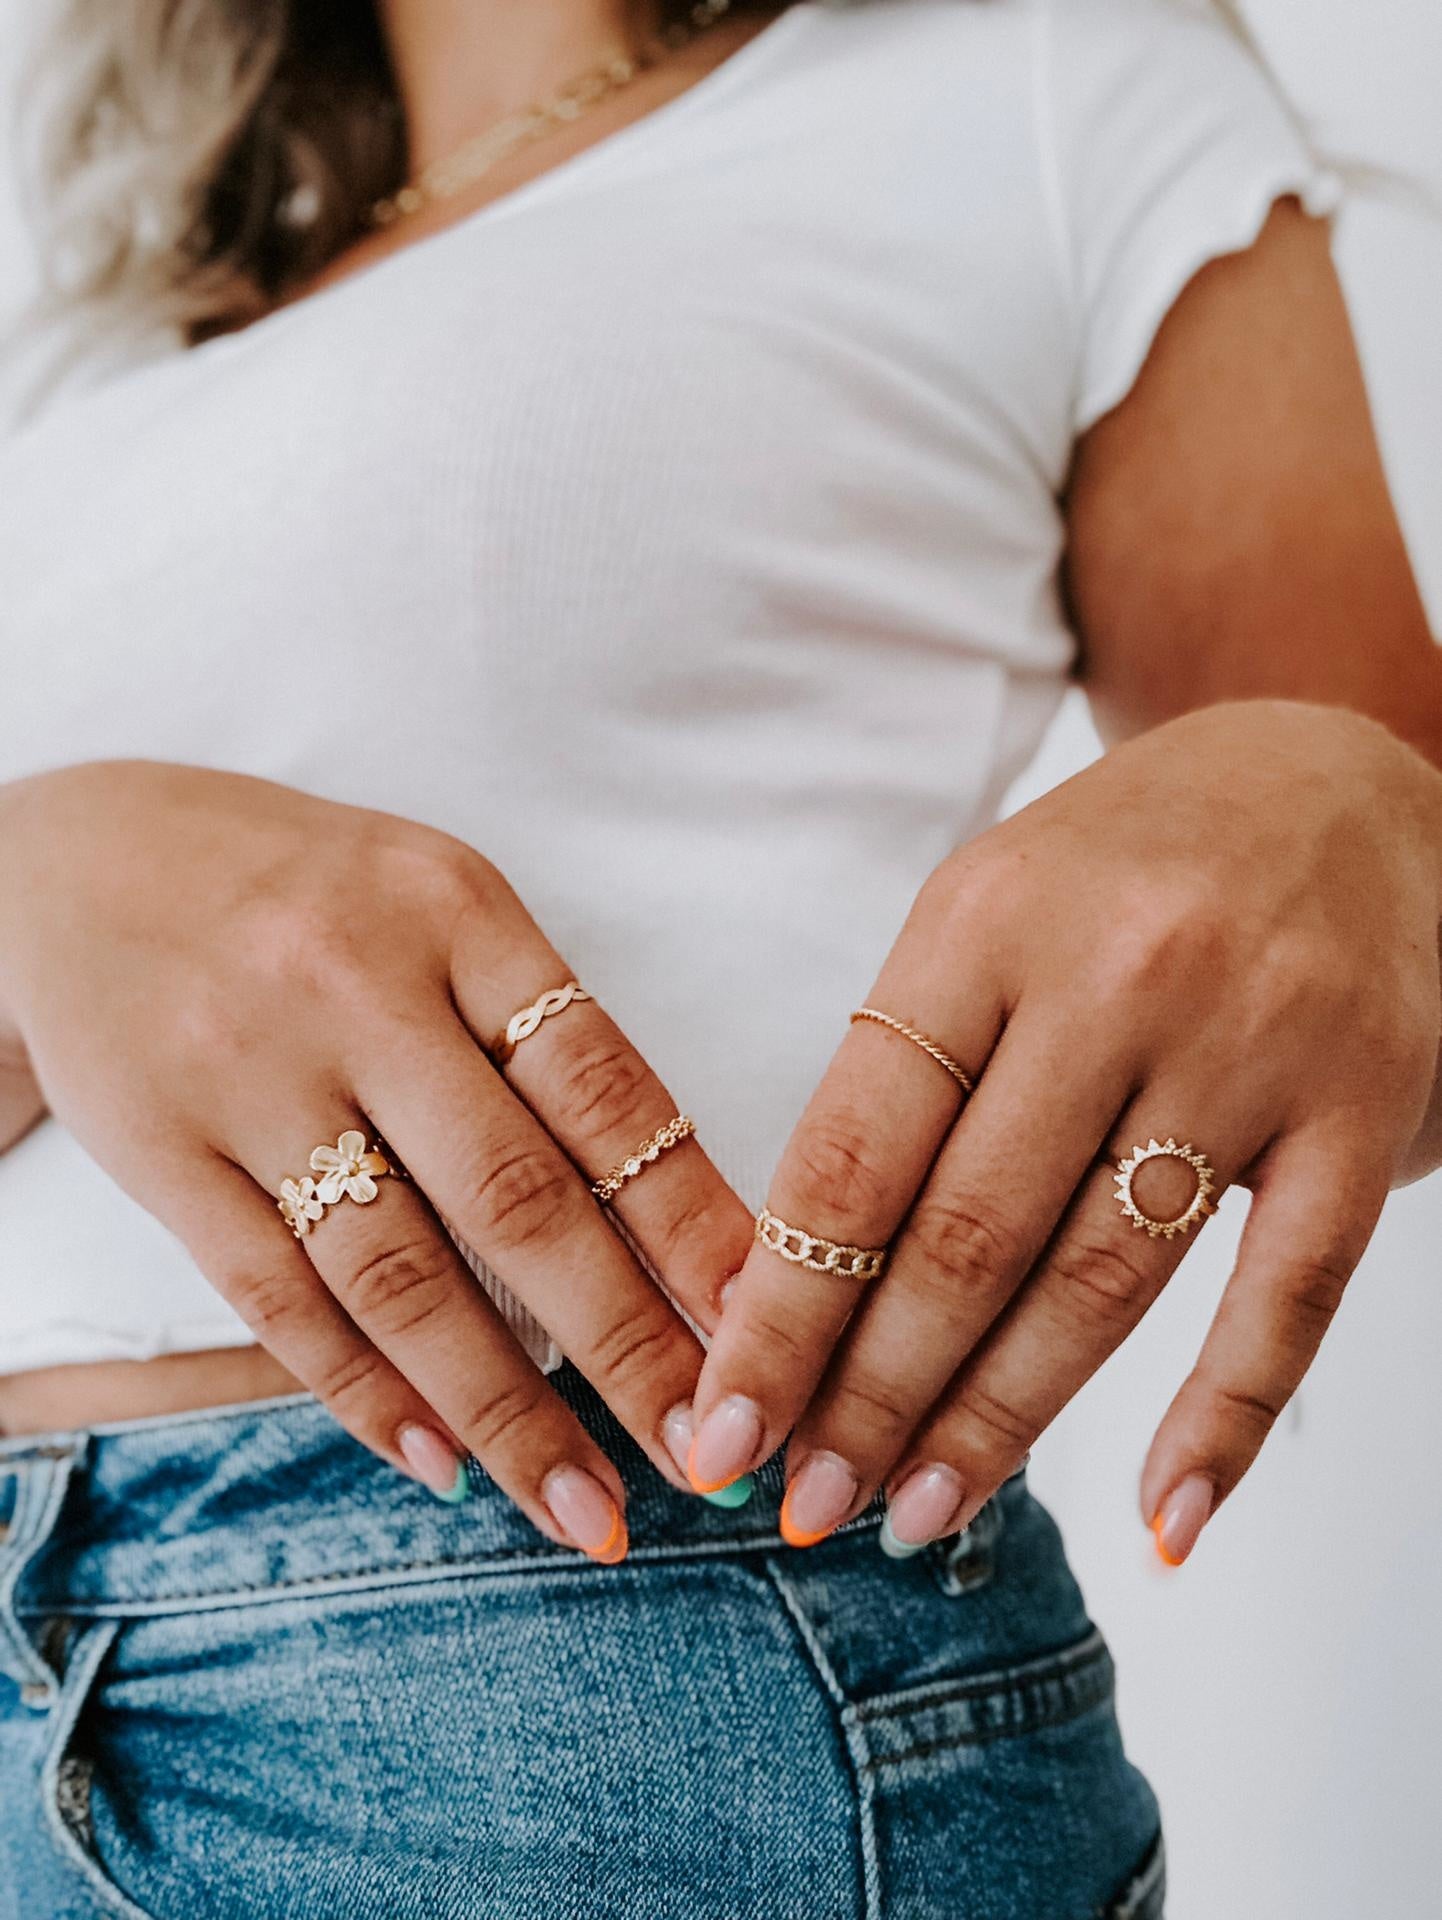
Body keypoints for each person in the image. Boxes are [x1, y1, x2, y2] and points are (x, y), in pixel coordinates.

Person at [1, 0, 1438, 1914]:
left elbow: (1358, 951)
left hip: (580, 1652)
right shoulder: (103, 316)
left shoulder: (1049, 83)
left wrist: (1363, 808)